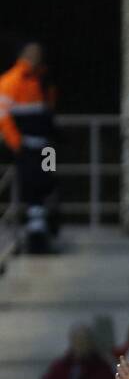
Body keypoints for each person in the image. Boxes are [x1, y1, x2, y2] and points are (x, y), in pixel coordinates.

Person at [0, 42, 57, 253]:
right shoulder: (11, 81)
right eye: (31, 54)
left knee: (49, 181)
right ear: (22, 55)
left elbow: (49, 108)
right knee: (32, 187)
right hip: (28, 147)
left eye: (38, 54)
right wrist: (17, 144)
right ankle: (36, 238)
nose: (35, 57)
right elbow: (3, 116)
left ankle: (49, 227)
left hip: (47, 147)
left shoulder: (42, 79)